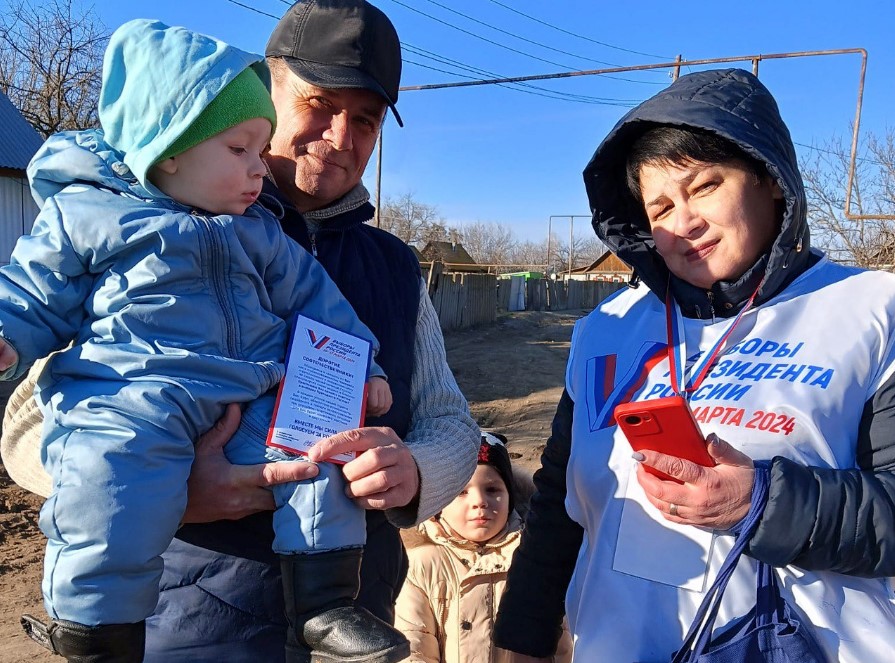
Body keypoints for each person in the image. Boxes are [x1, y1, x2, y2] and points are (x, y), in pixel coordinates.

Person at [2, 1, 481, 660]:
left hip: (353, 613)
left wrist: (416, 470)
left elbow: (449, 417)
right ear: (270, 88)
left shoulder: (394, 266)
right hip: (189, 623)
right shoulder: (138, 219)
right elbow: (27, 421)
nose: (342, 137)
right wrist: (170, 487)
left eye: (364, 120)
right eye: (319, 105)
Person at [493, 68, 895, 662]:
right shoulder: (606, 330)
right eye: (660, 205)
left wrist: (764, 501)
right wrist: (519, 640)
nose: (684, 222)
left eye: (706, 186)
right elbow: (558, 505)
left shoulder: (870, 311)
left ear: (772, 181)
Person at [395, 432, 572, 663]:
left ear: (510, 496)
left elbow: (564, 641)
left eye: (492, 490)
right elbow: (413, 645)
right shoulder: (421, 564)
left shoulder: (536, 557)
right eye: (461, 492)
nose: (479, 501)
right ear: (437, 503)